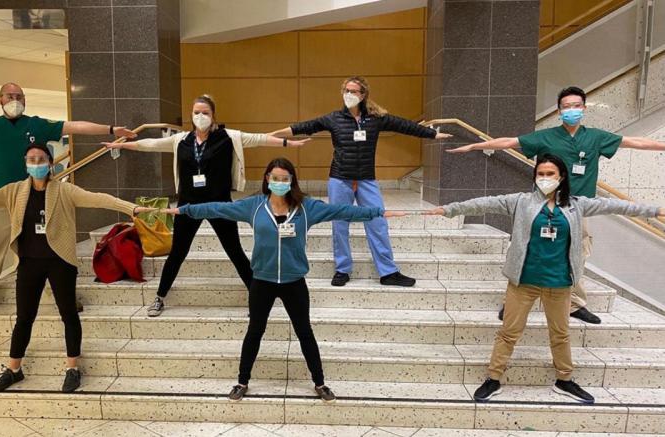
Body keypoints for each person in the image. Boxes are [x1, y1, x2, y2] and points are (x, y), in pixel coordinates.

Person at [159, 158, 406, 402]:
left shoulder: (307, 208)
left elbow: (343, 210)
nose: (279, 182)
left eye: (284, 179)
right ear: (267, 179)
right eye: (275, 178)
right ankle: (242, 381)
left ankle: (320, 383)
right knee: (255, 331)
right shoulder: (253, 206)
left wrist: (378, 212)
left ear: (291, 181)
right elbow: (217, 208)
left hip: (294, 283)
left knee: (305, 333)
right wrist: (185, 210)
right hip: (262, 282)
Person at [426, 154, 664, 404]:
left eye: (550, 174)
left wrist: (655, 210)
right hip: (523, 281)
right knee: (509, 332)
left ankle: (564, 379)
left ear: (561, 177)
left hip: (559, 283)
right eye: (540, 173)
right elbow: (484, 203)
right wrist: (449, 210)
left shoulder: (576, 205)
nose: (545, 178)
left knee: (560, 334)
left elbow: (617, 206)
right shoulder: (520, 202)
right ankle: (493, 378)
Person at [0, 144, 154, 393]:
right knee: (23, 319)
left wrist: (132, 208)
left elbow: (99, 199)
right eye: (32, 159)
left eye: (41, 159)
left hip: (60, 262)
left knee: (68, 315)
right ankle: (14, 370)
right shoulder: (14, 192)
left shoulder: (64, 190)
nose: (37, 163)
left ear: (50, 163)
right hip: (29, 263)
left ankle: (72, 368)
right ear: (25, 163)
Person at [447, 86, 665, 324]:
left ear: (584, 108)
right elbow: (510, 142)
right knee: (527, 251)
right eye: (566, 107)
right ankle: (511, 302)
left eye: (576, 106)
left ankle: (574, 304)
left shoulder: (596, 137)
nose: (571, 110)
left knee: (578, 254)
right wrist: (474, 146)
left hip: (579, 209)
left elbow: (634, 142)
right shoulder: (546, 137)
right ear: (560, 111)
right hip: (542, 206)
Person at [0, 82, 137, 316]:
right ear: (0, 99)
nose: (15, 100)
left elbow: (75, 126)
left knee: (45, 250)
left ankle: (64, 298)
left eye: (20, 96)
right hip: (1, 199)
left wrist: (111, 129)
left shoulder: (36, 124)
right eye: (10, 96)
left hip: (34, 198)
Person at [104, 95, 310, 317]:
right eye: (196, 113)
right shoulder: (181, 140)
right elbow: (151, 145)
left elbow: (259, 138)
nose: (200, 117)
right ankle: (159, 297)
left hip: (220, 205)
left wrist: (289, 143)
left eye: (205, 113)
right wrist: (122, 145)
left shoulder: (228, 137)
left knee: (235, 252)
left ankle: (256, 298)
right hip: (188, 206)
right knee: (177, 253)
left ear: (213, 116)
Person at [269, 76, 452, 287]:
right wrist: (270, 135)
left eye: (354, 91)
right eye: (346, 90)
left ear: (363, 95)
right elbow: (303, 126)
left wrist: (432, 135)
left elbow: (405, 125)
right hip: (340, 179)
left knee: (377, 221)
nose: (349, 94)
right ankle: (342, 270)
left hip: (366, 179)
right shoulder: (333, 118)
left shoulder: (376, 118)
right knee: (340, 224)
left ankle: (388, 272)